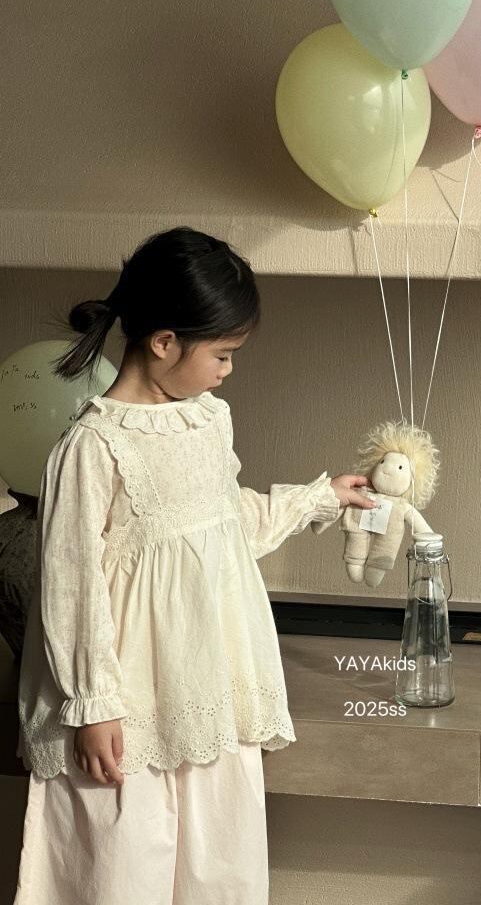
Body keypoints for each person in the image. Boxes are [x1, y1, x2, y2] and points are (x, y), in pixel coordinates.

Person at [13, 226, 378, 904]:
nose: (228, 370)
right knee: (120, 868)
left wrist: (318, 498)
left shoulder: (208, 420)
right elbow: (70, 584)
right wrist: (93, 705)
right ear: (164, 341)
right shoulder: (91, 447)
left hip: (207, 689)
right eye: (223, 354)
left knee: (218, 869)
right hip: (125, 709)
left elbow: (221, 530)